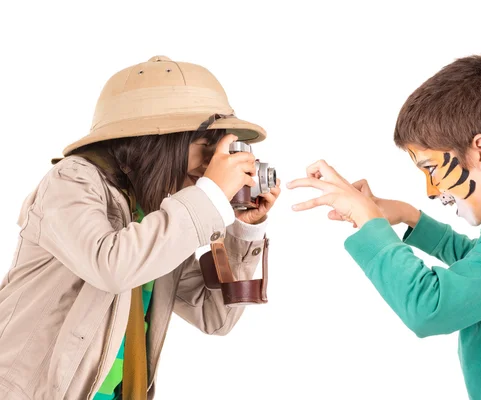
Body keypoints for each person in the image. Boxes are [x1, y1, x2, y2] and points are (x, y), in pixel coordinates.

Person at [288, 54, 481, 399]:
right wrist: (411, 216)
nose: (432, 190)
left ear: (480, 151)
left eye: (432, 169)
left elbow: (428, 308)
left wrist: (369, 222)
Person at [0, 55, 280, 400]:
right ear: (156, 140)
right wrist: (209, 195)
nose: (213, 164)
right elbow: (113, 266)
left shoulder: (156, 216)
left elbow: (214, 316)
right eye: (206, 146)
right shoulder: (72, 179)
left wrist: (243, 230)